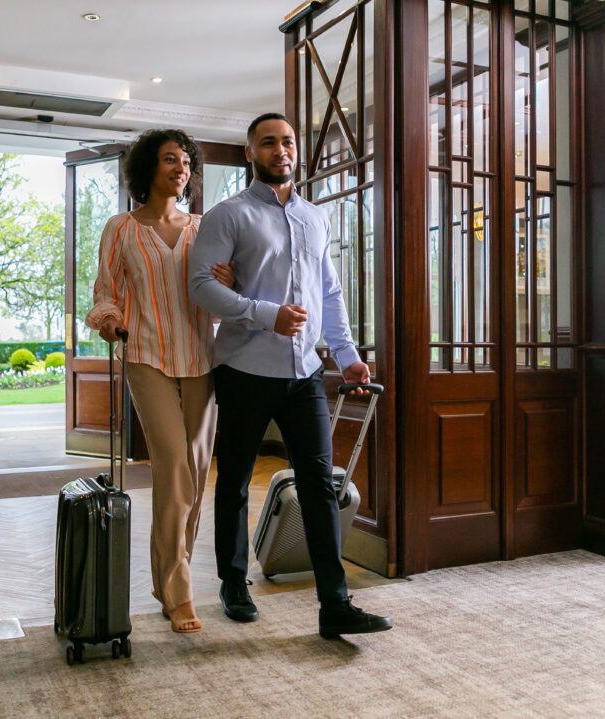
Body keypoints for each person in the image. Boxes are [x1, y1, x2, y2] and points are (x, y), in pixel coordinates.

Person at [188, 113, 393, 639]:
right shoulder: (227, 215)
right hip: (243, 369)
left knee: (321, 488)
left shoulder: (316, 217)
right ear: (250, 151)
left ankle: (335, 605)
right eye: (268, 143)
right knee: (233, 482)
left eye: (287, 142)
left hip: (305, 374)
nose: (280, 150)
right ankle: (233, 584)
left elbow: (329, 291)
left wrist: (346, 353)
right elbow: (201, 288)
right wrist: (265, 313)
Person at [86, 128, 234, 634]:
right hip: (146, 355)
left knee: (193, 473)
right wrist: (108, 319)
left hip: (201, 357)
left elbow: (222, 288)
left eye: (187, 161)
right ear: (148, 167)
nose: (182, 168)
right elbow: (105, 291)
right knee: (172, 463)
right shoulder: (121, 228)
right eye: (171, 159)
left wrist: (230, 285)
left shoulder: (203, 227)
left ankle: (170, 575)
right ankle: (179, 591)